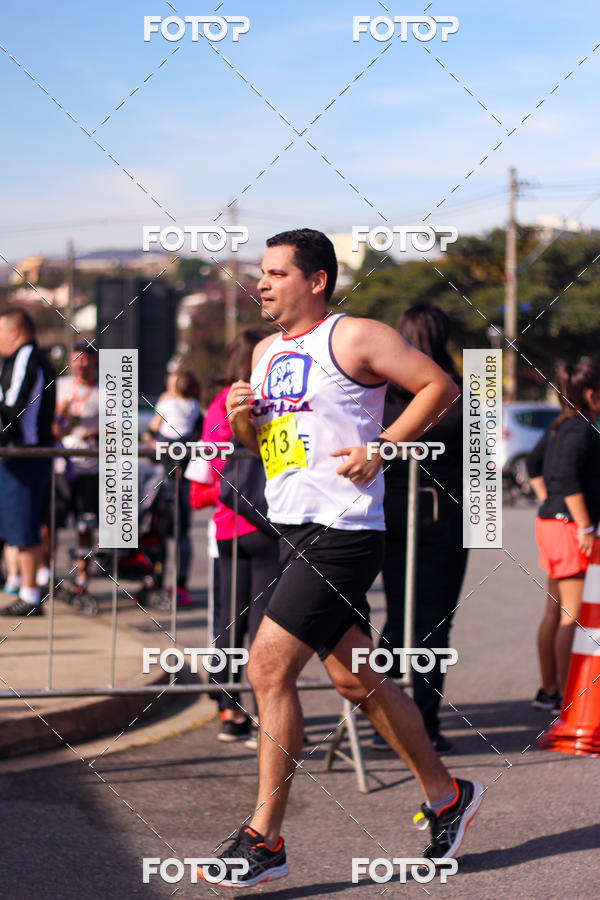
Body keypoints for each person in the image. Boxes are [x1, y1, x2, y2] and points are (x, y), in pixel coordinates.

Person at [198, 229, 483, 888]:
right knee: (358, 679)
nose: (262, 284)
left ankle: (264, 840)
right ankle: (447, 797)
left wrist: (379, 447)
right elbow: (270, 440)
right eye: (260, 273)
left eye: (275, 273)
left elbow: (437, 386)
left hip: (345, 531)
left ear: (316, 279)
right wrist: (244, 417)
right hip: (292, 528)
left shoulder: (353, 336)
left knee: (267, 666)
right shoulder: (267, 352)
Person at [371, 304, 468, 755]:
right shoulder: (459, 394)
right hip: (444, 518)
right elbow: (481, 470)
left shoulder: (379, 394)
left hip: (389, 515)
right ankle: (425, 724)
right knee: (435, 623)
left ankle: (384, 723)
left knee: (396, 614)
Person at [188, 331, 280, 744]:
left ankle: (229, 711)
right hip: (269, 524)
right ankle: (266, 716)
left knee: (228, 622)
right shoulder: (272, 399)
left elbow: (199, 484)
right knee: (263, 626)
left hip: (227, 528)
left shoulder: (216, 406)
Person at [527, 358, 600, 713]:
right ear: (591, 394)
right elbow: (569, 478)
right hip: (569, 528)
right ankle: (563, 695)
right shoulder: (583, 428)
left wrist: (547, 502)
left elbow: (532, 466)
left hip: (550, 524)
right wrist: (584, 525)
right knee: (570, 614)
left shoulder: (559, 424)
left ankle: (548, 691)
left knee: (553, 611)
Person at [0, 309, 56, 617]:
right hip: (24, 456)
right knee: (21, 525)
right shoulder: (24, 357)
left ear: (14, 331)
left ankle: (30, 594)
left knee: (24, 526)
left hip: (25, 455)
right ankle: (28, 590)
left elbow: (11, 410)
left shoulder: (26, 357)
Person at [147, 369, 203, 605]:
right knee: (182, 535)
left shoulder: (166, 403)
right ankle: (180, 586)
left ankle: (157, 582)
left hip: (164, 475)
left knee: (159, 531)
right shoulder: (196, 407)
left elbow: (153, 428)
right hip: (184, 475)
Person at [53, 344, 100, 594]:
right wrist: (60, 413)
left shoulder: (105, 391)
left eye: (85, 361)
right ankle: (47, 577)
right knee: (52, 524)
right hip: (61, 467)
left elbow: (121, 429)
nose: (80, 366)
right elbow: (50, 429)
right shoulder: (60, 387)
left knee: (85, 525)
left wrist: (98, 433)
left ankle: (82, 579)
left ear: (93, 362)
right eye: (76, 361)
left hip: (90, 469)